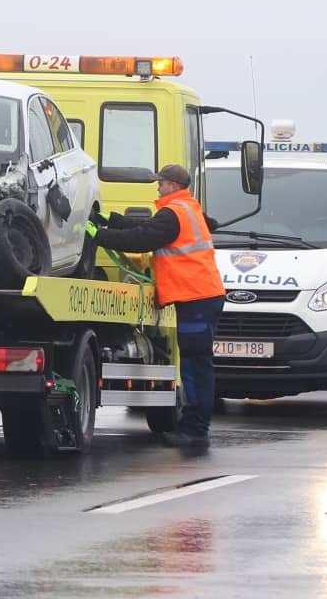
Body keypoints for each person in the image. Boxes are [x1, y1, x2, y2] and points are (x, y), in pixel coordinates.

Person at [88, 163, 226, 447]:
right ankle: (195, 427)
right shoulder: (185, 208)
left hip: (196, 297)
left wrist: (97, 235)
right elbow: (146, 226)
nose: (157, 186)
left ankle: (195, 431)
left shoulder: (174, 213)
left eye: (160, 182)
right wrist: (109, 220)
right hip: (201, 296)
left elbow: (141, 239)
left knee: (195, 366)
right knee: (196, 364)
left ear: (173, 185)